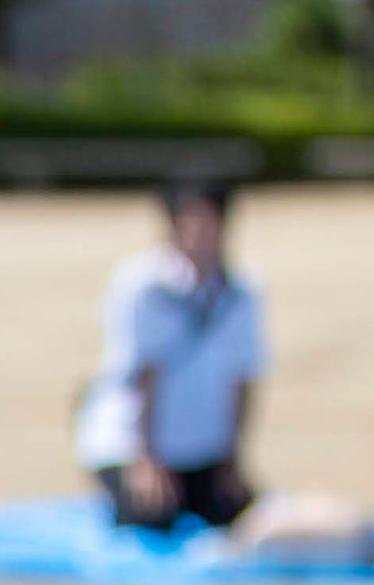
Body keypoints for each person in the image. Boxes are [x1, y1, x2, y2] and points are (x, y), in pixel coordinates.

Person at [80, 174, 268, 533]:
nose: (199, 231)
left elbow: (243, 378)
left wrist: (233, 461)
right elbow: (142, 374)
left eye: (209, 219)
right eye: (189, 218)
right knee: (150, 517)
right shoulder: (142, 284)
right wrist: (145, 460)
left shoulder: (242, 291)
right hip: (130, 442)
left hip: (202, 447)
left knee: (237, 515)